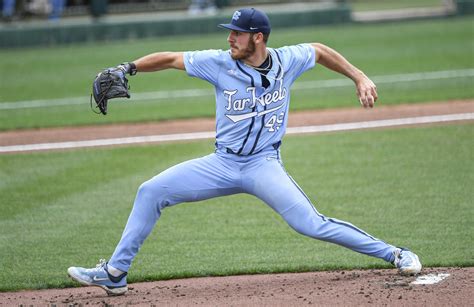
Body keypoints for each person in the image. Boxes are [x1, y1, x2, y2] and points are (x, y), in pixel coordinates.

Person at [67, 8, 422, 296]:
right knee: (151, 192)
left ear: (258, 37)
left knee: (310, 223)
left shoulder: (287, 60)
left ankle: (394, 252)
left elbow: (319, 49)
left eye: (236, 33)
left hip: (263, 165)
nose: (229, 38)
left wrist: (359, 77)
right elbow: (172, 58)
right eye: (230, 32)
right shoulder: (218, 62)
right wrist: (129, 67)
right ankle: (115, 272)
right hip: (221, 163)